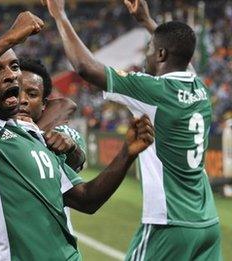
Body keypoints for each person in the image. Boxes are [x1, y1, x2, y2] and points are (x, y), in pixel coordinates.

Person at [0, 11, 154, 260]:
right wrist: (8, 39)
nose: (11, 75)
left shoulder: (34, 135)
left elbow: (87, 199)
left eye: (14, 66)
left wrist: (126, 153)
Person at [43, 0, 222, 259]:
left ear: (161, 55)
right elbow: (182, 55)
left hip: (169, 223)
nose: (145, 55)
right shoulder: (199, 88)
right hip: (207, 223)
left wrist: (59, 16)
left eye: (149, 48)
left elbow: (86, 68)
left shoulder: (154, 90)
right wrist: (147, 23)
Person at [17, 56, 86, 171]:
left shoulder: (61, 132)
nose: (22, 100)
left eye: (32, 94)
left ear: (43, 104)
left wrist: (72, 148)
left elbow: (77, 162)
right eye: (15, 92)